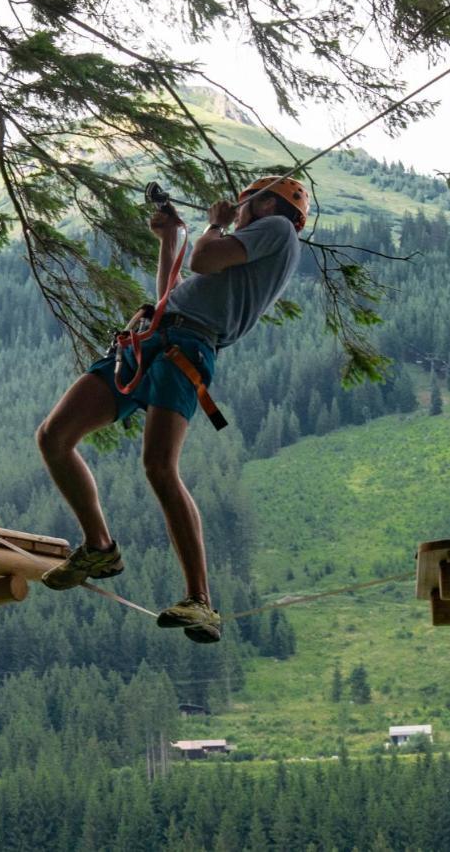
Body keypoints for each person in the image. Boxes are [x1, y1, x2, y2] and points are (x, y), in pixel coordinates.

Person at [35, 176, 311, 644]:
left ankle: (200, 601)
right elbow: (174, 293)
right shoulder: (251, 246)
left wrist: (214, 225)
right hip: (153, 339)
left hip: (188, 347)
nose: (238, 211)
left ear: (265, 205)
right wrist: (169, 240)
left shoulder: (277, 231)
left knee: (160, 467)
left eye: (245, 205)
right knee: (54, 436)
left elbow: (204, 257)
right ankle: (100, 547)